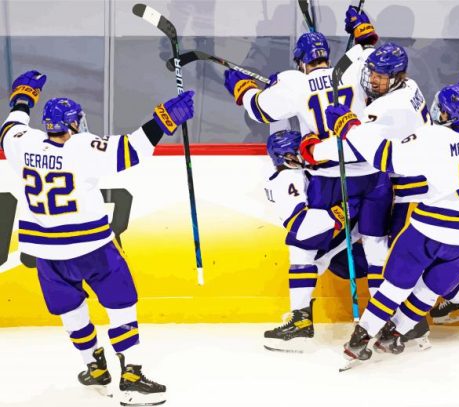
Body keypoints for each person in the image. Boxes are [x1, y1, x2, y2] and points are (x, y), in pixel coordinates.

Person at [1, 70, 195, 405]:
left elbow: (9, 127)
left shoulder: (23, 143)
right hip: (90, 248)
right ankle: (131, 376)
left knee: (71, 310)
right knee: (121, 304)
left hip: (46, 252)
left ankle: (94, 367)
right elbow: (134, 148)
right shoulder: (82, 148)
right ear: (73, 124)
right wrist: (166, 117)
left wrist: (23, 98)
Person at [317, 74, 459, 364]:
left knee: (394, 287)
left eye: (440, 109)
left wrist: (349, 127)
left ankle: (359, 340)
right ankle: (395, 334)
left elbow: (385, 158)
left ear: (446, 113)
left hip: (429, 231)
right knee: (429, 291)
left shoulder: (432, 139)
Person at [224, 7, 394, 302]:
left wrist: (243, 89)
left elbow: (259, 110)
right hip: (373, 172)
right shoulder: (351, 67)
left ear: (300, 62)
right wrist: (364, 36)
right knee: (376, 247)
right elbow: (374, 62)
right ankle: (383, 321)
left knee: (304, 247)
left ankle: (301, 317)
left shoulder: (294, 82)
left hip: (329, 177)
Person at [263, 130, 367, 352]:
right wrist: (339, 214)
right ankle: (300, 318)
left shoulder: (297, 174)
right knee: (301, 249)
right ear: (285, 157)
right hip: (338, 231)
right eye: (296, 152)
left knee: (307, 255)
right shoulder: (287, 179)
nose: (304, 155)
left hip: (340, 232)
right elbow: (301, 226)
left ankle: (300, 317)